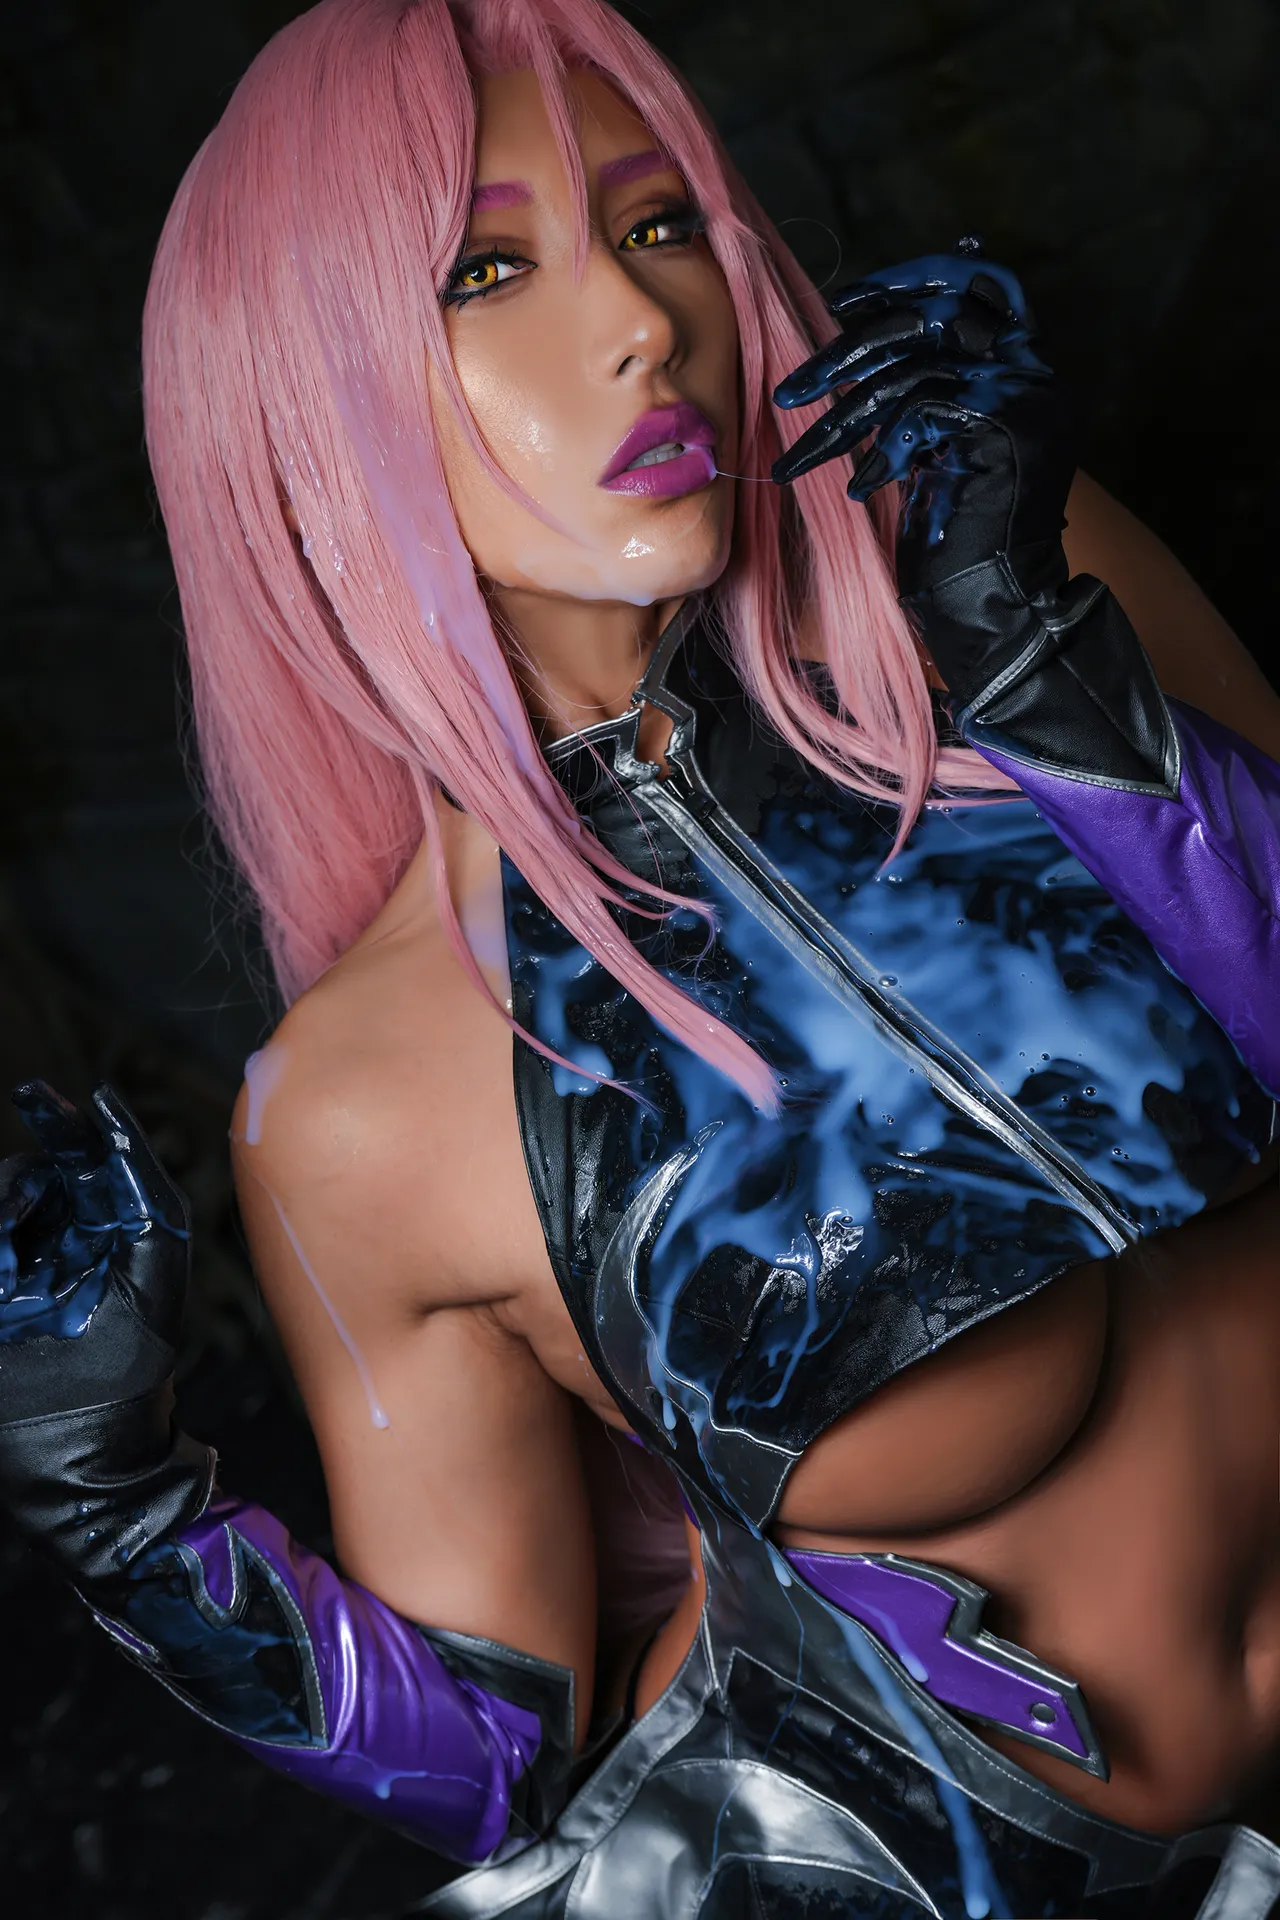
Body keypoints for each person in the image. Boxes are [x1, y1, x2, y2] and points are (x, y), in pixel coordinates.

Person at [2, 1, 1279, 1913]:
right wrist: (116, 1509)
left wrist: (1037, 665)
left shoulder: (1009, 573)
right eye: (489, 270)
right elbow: (508, 1764)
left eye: (658, 223)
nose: (637, 323)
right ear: (304, 403)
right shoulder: (362, 1100)